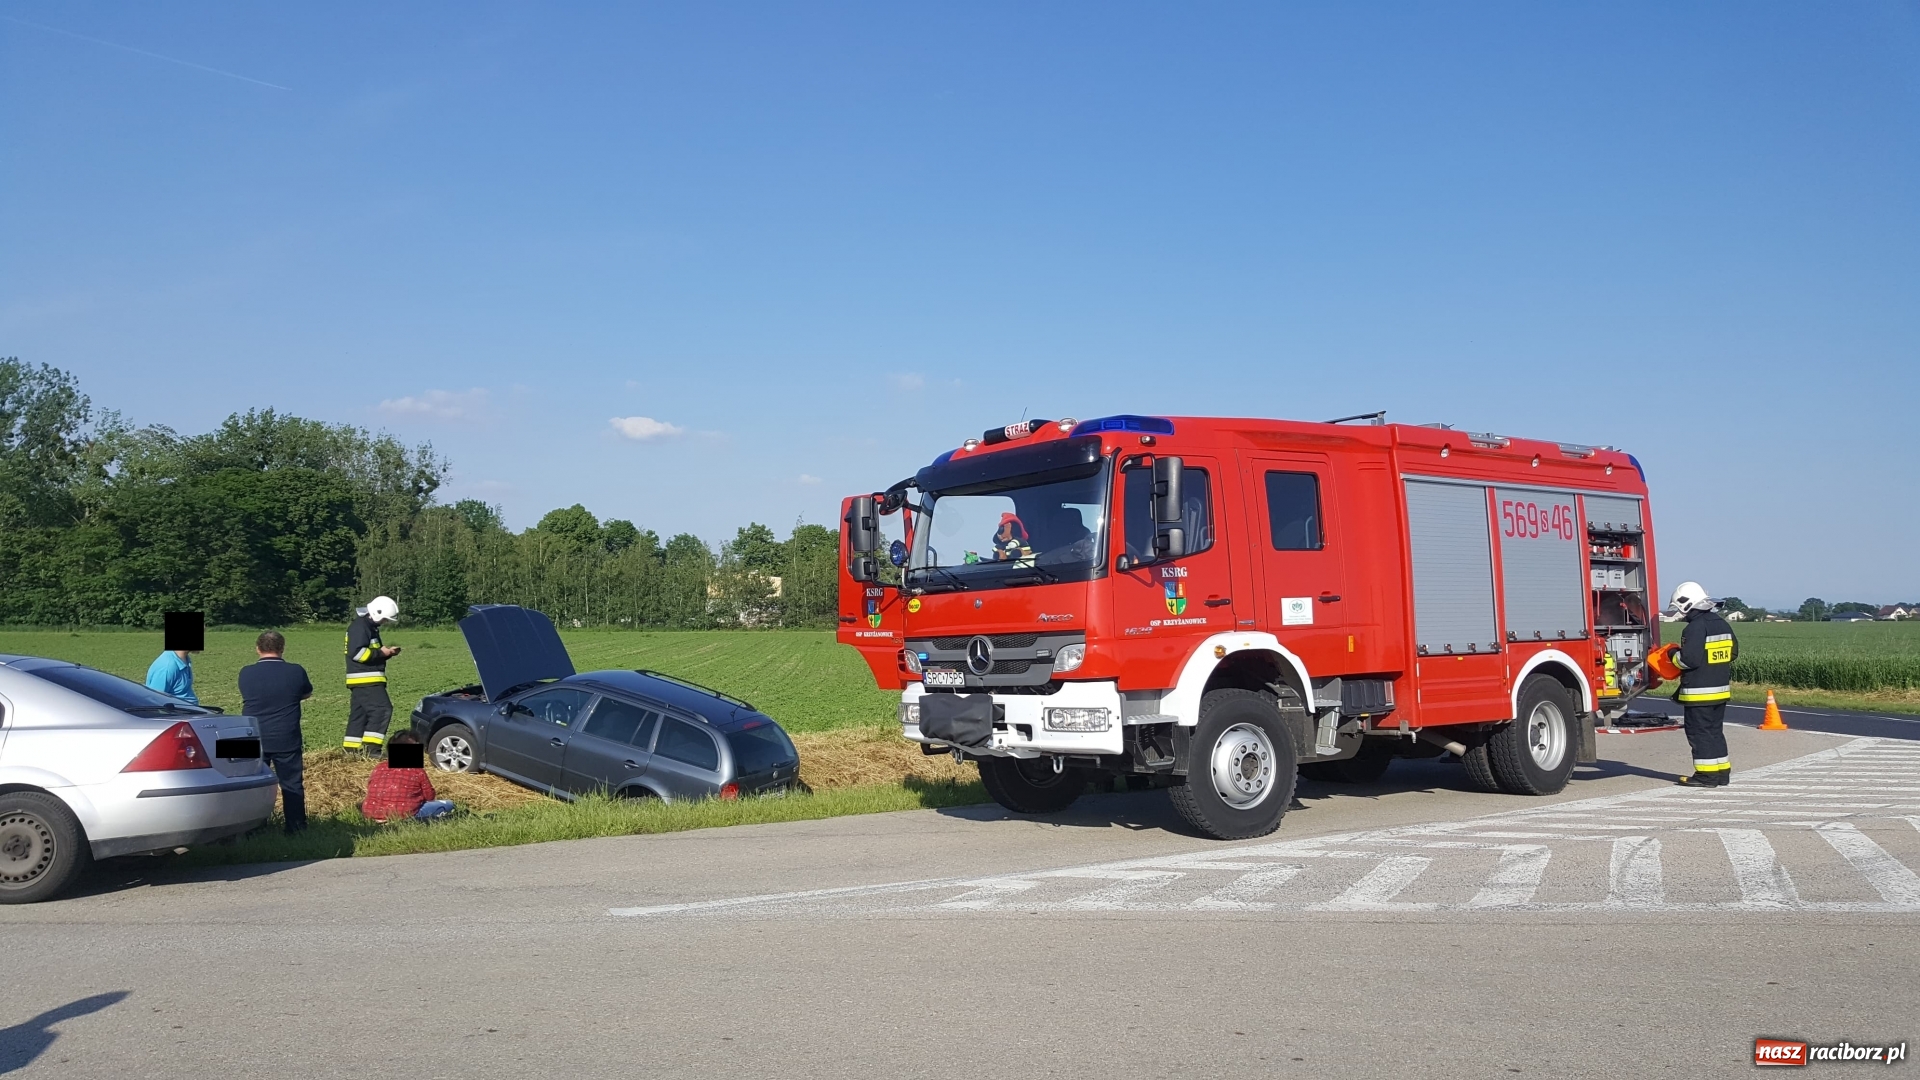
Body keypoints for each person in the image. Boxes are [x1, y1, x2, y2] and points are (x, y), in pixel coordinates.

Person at [1655, 581, 1740, 787]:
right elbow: (1733, 653)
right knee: (1714, 731)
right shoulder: (1722, 624)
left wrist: (1671, 654)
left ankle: (1706, 776)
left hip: (1699, 693)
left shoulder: (1694, 628)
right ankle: (1721, 773)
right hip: (1720, 691)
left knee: (1699, 733)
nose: (1681, 614)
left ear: (1687, 604)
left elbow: (1688, 660)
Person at [238, 631, 314, 833]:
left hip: (250, 737)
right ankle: (296, 828)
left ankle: (251, 829)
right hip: (285, 736)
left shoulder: (245, 672)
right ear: (282, 648)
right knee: (292, 785)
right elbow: (306, 693)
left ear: (257, 648)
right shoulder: (296, 671)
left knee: (252, 785)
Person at [343, 595, 403, 756]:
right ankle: (372, 751)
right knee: (383, 710)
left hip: (364, 679)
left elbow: (370, 651)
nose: (385, 622)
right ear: (377, 612)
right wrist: (380, 653)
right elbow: (357, 653)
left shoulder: (368, 627)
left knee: (360, 715)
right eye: (384, 619)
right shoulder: (360, 627)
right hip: (365, 679)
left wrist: (387, 653)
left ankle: (351, 751)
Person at [360, 732, 454, 822]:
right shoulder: (417, 771)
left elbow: (371, 787)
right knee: (449, 804)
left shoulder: (379, 767)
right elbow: (430, 796)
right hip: (403, 814)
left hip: (370, 813)